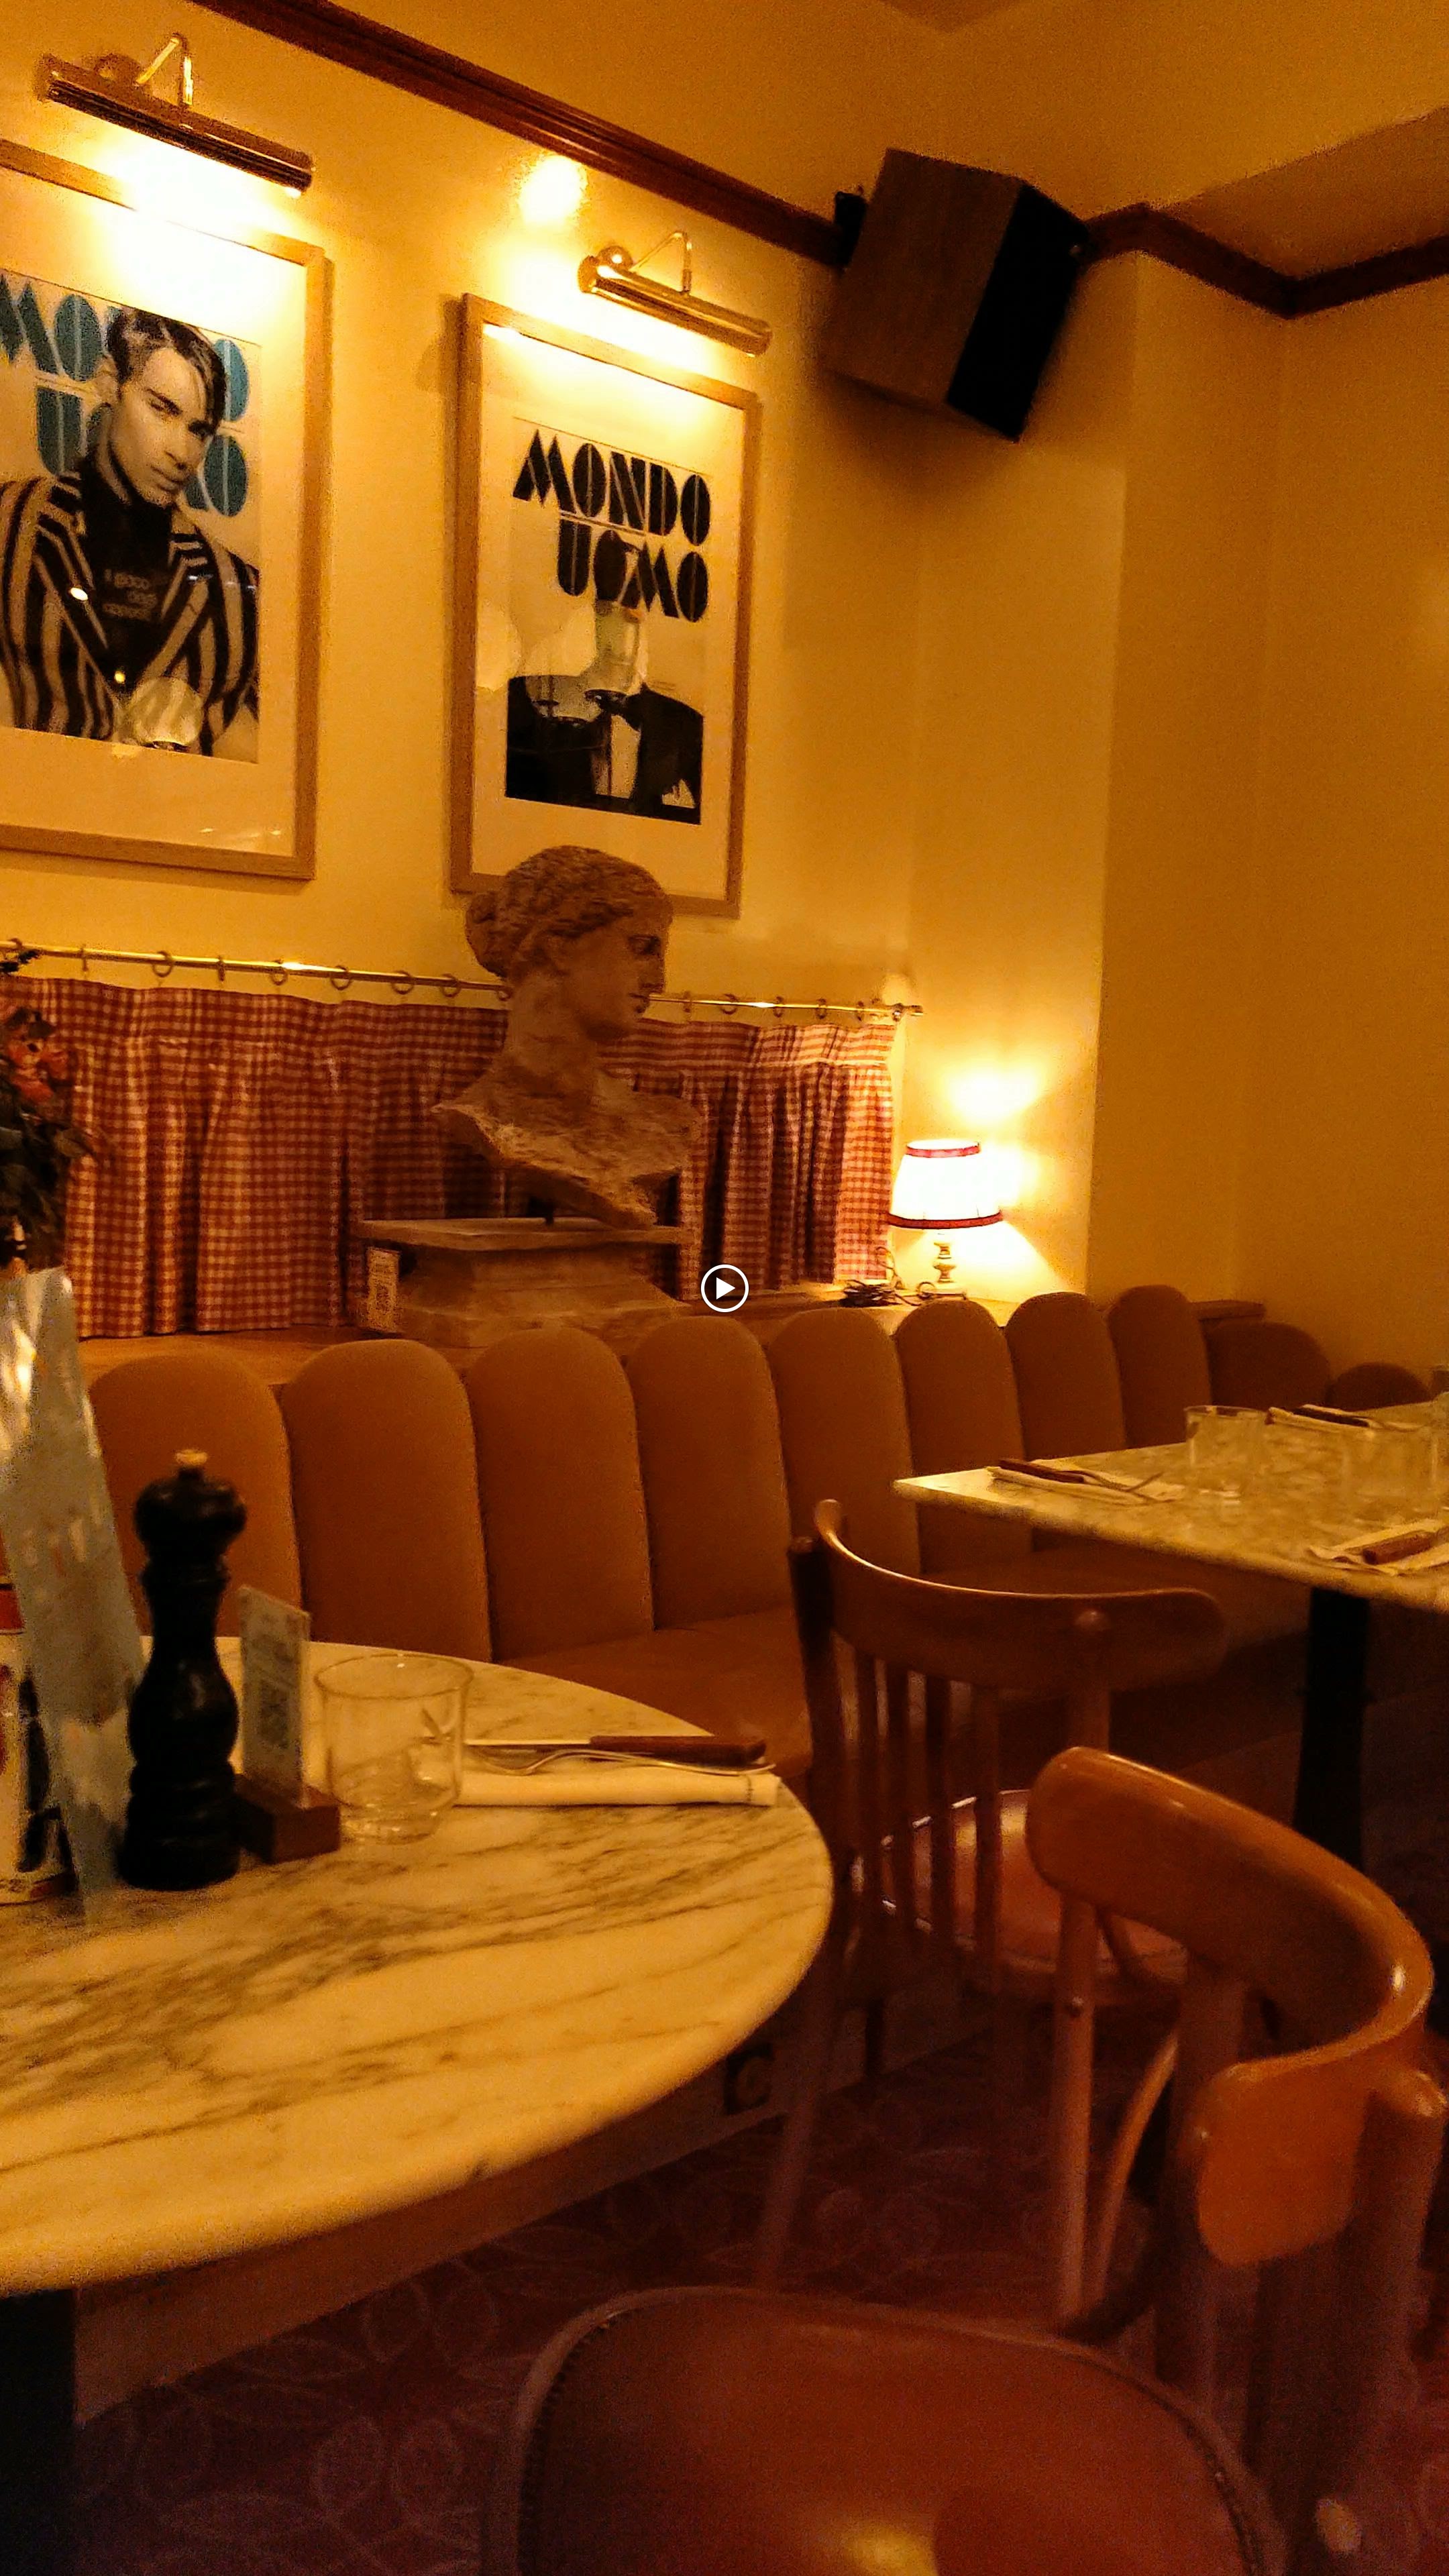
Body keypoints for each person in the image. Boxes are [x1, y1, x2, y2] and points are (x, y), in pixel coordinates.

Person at [0, 306, 258, 756]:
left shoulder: (237, 590)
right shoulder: (12, 522)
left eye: (198, 430)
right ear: (109, 383)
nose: (182, 452)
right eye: (162, 409)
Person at [434, 845, 699, 1227]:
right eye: (641, 948)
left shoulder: (664, 1123)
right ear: (557, 947)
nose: (658, 981)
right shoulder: (481, 1117)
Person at [505, 598, 703, 823]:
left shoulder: (685, 725)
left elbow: (708, 816)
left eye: (622, 653)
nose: (616, 658)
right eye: (604, 650)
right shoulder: (538, 713)